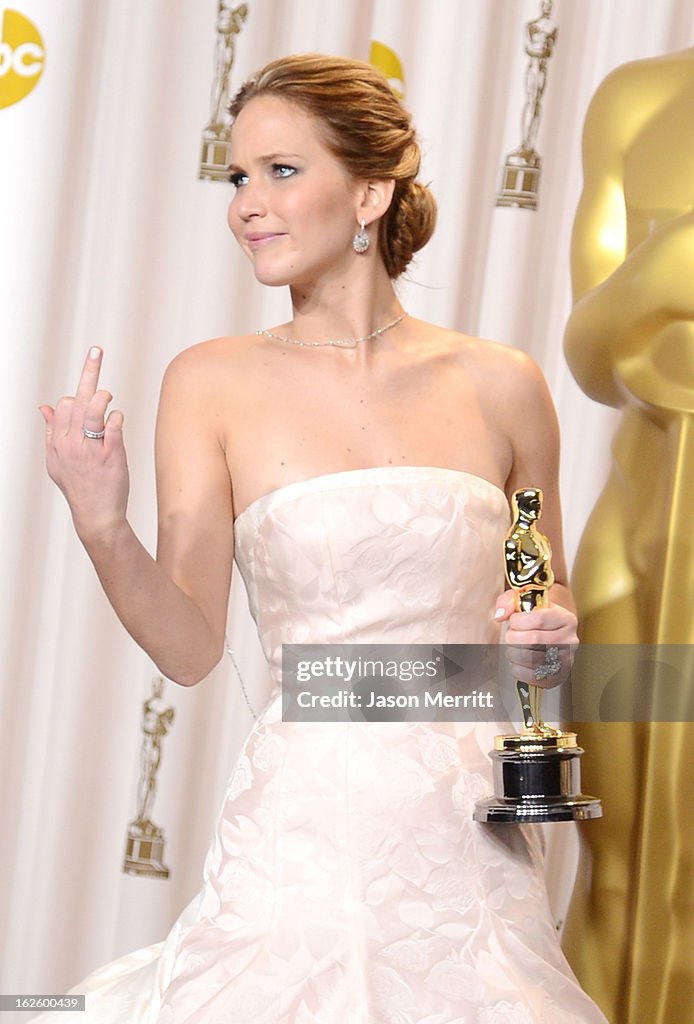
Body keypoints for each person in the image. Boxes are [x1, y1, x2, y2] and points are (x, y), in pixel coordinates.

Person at [36, 53, 606, 1023]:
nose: (247, 204)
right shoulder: (208, 382)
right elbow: (187, 646)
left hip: (473, 833)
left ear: (371, 192)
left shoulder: (503, 382)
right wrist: (100, 522)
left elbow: (537, 585)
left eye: (281, 171)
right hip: (301, 831)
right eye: (237, 176)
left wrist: (545, 628)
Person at [561, 46, 694, 1024]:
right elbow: (592, 347)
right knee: (610, 860)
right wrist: (674, 262)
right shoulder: (637, 95)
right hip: (633, 543)